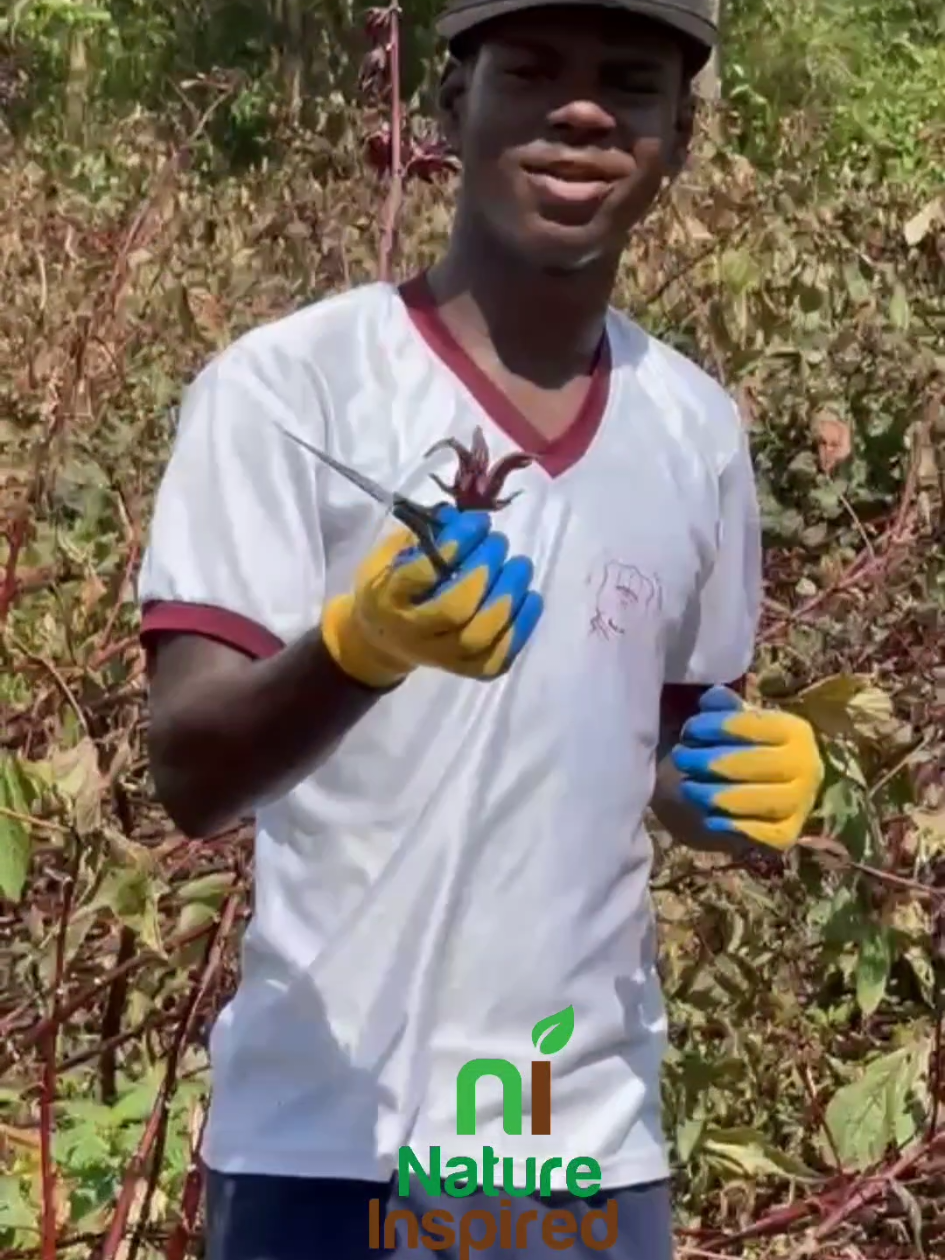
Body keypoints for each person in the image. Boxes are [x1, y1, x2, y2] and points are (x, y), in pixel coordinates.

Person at [138, 1, 825, 1256]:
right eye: (532, 72)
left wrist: (730, 779)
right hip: (326, 1145)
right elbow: (189, 769)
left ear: (680, 140)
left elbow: (664, 732)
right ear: (449, 111)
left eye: (630, 83)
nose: (580, 112)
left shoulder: (698, 432)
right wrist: (358, 652)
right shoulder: (286, 390)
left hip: (585, 1150)